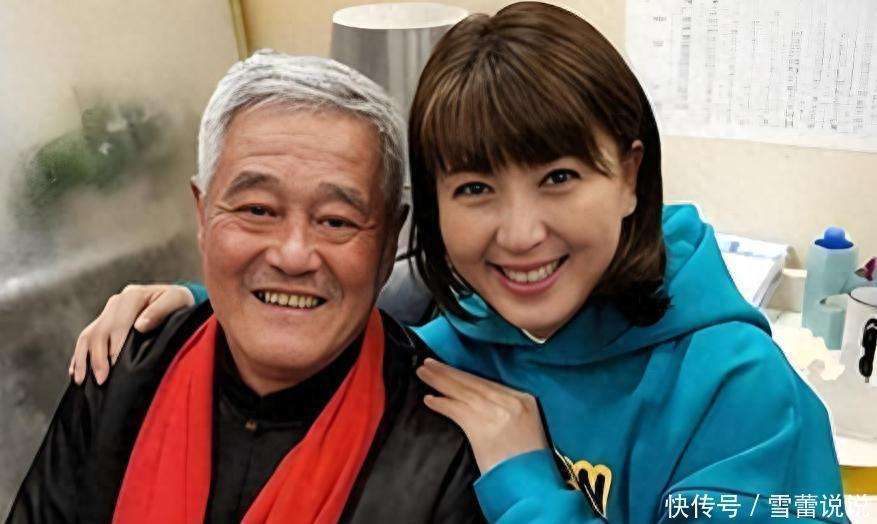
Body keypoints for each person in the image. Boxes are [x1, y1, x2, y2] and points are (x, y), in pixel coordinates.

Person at [63, 3, 848, 523]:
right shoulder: (448, 339)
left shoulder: (737, 392)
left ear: (629, 176)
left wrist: (527, 484)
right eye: (474, 188)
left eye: (558, 178)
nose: (519, 234)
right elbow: (330, 294)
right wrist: (203, 299)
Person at [7, 51, 484, 523]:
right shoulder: (120, 368)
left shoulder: (449, 448)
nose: (293, 255)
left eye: (336, 220)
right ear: (202, 214)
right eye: (257, 210)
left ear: (388, 243)